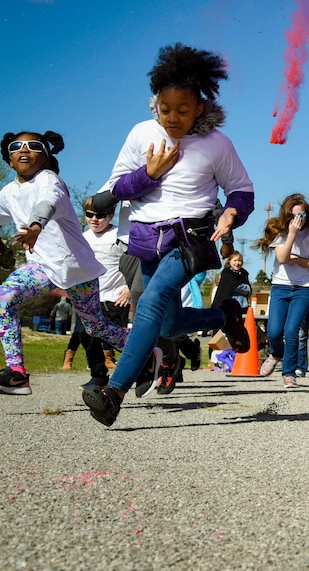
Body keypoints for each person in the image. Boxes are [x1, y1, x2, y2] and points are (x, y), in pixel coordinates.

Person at [81, 44, 254, 426]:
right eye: (165, 109)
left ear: (200, 109)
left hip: (190, 238)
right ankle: (225, 314)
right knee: (168, 324)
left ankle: (114, 392)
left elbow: (242, 190)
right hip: (144, 239)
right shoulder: (142, 134)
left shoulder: (217, 145)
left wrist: (232, 213)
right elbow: (111, 191)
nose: (172, 118)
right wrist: (150, 174)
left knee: (153, 299)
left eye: (182, 110)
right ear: (154, 103)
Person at [0, 131, 130, 395]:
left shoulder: (50, 180)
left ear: (46, 158)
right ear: (10, 160)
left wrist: (36, 226)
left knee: (96, 326)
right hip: (42, 268)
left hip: (75, 269)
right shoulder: (8, 193)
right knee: (4, 299)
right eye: (17, 147)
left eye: (34, 146)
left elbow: (47, 203)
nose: (24, 150)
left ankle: (145, 350)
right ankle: (17, 374)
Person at [255, 194, 309, 388]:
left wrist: (298, 259)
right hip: (280, 286)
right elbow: (283, 257)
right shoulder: (281, 232)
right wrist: (292, 234)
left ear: (307, 216)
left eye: (302, 216)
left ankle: (289, 373)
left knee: (291, 330)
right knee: (274, 331)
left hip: (304, 288)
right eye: (294, 216)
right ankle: (276, 353)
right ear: (288, 217)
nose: (298, 221)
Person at [64, 198, 131, 388]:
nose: (94, 219)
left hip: (116, 298)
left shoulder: (120, 235)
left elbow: (134, 264)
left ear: (111, 215)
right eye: (89, 215)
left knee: (116, 339)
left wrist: (129, 290)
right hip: (89, 298)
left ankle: (145, 364)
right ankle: (98, 375)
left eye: (100, 215)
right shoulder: (82, 238)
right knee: (87, 336)